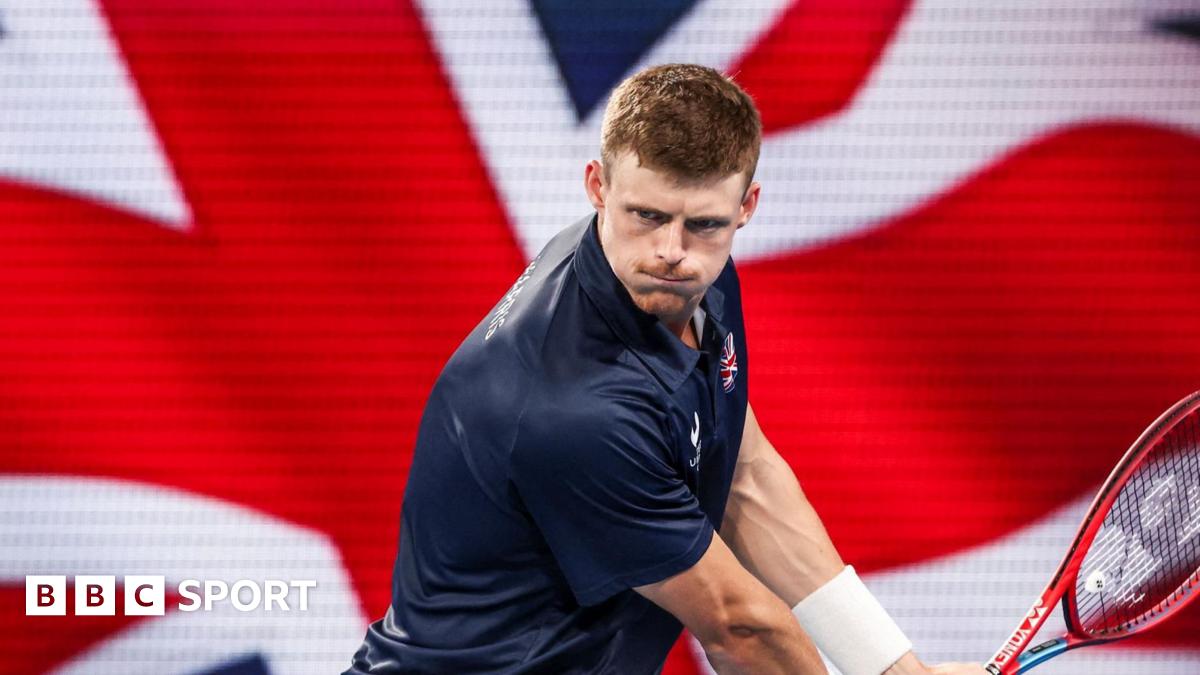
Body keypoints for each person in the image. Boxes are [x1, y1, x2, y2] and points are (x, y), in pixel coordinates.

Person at [345, 63, 983, 675]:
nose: (672, 252)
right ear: (598, 186)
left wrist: (897, 668)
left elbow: (745, 479)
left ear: (746, 207)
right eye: (646, 216)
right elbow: (741, 629)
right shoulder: (574, 411)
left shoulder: (689, 282)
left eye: (703, 224)